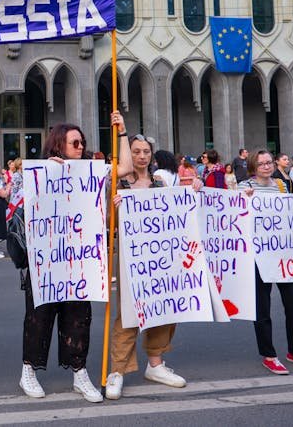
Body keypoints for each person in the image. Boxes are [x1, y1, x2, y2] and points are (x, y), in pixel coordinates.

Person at [20, 112, 130, 403]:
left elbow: (126, 168)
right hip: (46, 261)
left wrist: (121, 132)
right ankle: (28, 370)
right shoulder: (40, 172)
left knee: (79, 318)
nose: (81, 147)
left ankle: (80, 373)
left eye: (82, 142)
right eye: (74, 143)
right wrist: (46, 173)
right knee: (39, 317)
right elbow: (20, 206)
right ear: (58, 145)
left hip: (80, 260)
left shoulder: (92, 173)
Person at [106, 133, 185, 400]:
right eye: (136, 151)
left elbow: (177, 215)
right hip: (131, 258)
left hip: (161, 258)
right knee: (128, 314)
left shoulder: (160, 184)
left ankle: (156, 364)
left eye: (146, 152)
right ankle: (117, 370)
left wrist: (193, 191)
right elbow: (106, 222)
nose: (141, 156)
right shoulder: (117, 185)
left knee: (162, 308)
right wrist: (114, 208)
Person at [239, 149, 293, 374]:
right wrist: (242, 201)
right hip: (257, 256)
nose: (266, 167)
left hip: (283, 254)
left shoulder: (281, 185)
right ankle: (269, 354)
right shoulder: (243, 187)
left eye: (269, 163)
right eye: (261, 163)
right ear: (253, 166)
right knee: (261, 307)